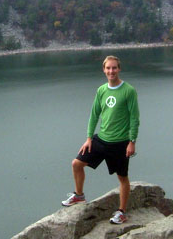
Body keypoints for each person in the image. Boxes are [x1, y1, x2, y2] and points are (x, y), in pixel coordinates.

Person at [61, 55, 140, 224]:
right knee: (76, 164)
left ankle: (121, 212)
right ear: (104, 70)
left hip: (120, 143)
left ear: (119, 69)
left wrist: (132, 141)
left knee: (122, 178)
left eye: (114, 68)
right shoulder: (102, 90)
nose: (111, 71)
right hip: (101, 139)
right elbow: (94, 114)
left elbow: (134, 118)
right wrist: (89, 138)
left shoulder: (128, 91)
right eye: (108, 68)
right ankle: (79, 195)